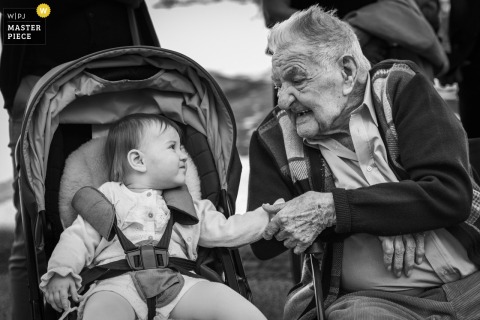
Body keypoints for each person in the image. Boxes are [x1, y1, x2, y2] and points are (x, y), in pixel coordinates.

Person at [248, 5, 480, 319]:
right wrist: (393, 213)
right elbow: (266, 241)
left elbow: (450, 194)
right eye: (279, 85)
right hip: (375, 302)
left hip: (473, 283)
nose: (283, 99)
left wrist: (336, 208)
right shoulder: (273, 137)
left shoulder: (400, 87)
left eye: (297, 80)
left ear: (347, 72)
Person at [0, 1, 156, 319]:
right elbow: (17, 14)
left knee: (128, 203)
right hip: (39, 85)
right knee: (33, 226)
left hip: (120, 83)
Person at [40, 113, 270, 320]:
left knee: (221, 296)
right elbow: (77, 238)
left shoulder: (188, 204)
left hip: (178, 283)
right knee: (102, 309)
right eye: (173, 147)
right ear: (138, 161)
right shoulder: (108, 196)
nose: (183, 156)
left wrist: (266, 218)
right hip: (117, 285)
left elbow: (227, 229)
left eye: (182, 147)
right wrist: (62, 271)